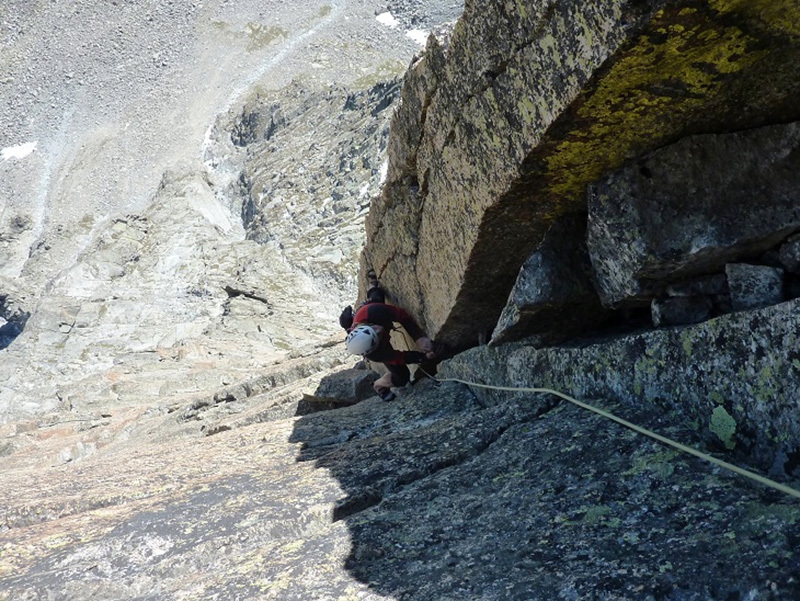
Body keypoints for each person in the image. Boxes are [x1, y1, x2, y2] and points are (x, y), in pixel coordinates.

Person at [340, 270, 438, 401]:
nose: (380, 330)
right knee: (402, 378)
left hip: (371, 313)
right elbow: (399, 357)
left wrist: (419, 338)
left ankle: (372, 286)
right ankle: (378, 386)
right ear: (374, 346)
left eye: (373, 328)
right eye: (377, 336)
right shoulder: (375, 354)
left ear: (364, 326)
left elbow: (402, 316)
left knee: (377, 296)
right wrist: (423, 357)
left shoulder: (371, 312)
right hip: (376, 341)